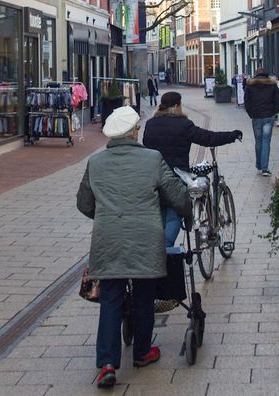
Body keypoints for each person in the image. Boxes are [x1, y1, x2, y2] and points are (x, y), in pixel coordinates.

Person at [77, 106, 191, 389]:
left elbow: (84, 203)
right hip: (145, 240)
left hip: (108, 241)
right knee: (144, 296)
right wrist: (187, 209)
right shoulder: (152, 159)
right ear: (133, 133)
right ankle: (142, 352)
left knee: (110, 299)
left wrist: (105, 218)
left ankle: (106, 364)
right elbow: (176, 194)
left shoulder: (96, 163)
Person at [142, 91, 242, 244]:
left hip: (153, 178)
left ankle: (157, 252)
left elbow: (146, 148)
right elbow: (208, 138)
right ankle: (167, 249)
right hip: (177, 178)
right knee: (174, 213)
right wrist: (232, 135)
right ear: (176, 106)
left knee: (159, 215)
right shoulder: (183, 125)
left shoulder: (150, 124)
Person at [244, 69, 279, 176]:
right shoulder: (272, 85)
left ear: (256, 75)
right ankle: (265, 168)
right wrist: (274, 112)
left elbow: (246, 101)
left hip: (256, 117)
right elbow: (278, 101)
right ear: (266, 75)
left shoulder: (250, 86)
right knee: (266, 141)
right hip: (268, 117)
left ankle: (259, 165)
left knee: (258, 141)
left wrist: (251, 113)